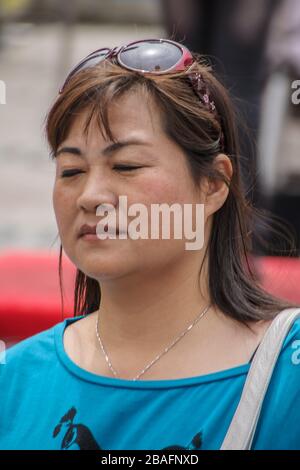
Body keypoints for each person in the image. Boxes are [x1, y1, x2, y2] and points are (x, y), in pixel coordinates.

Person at [0, 39, 299, 450]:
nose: (90, 196)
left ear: (213, 184)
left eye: (126, 166)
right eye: (71, 171)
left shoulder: (287, 373)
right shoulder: (13, 379)